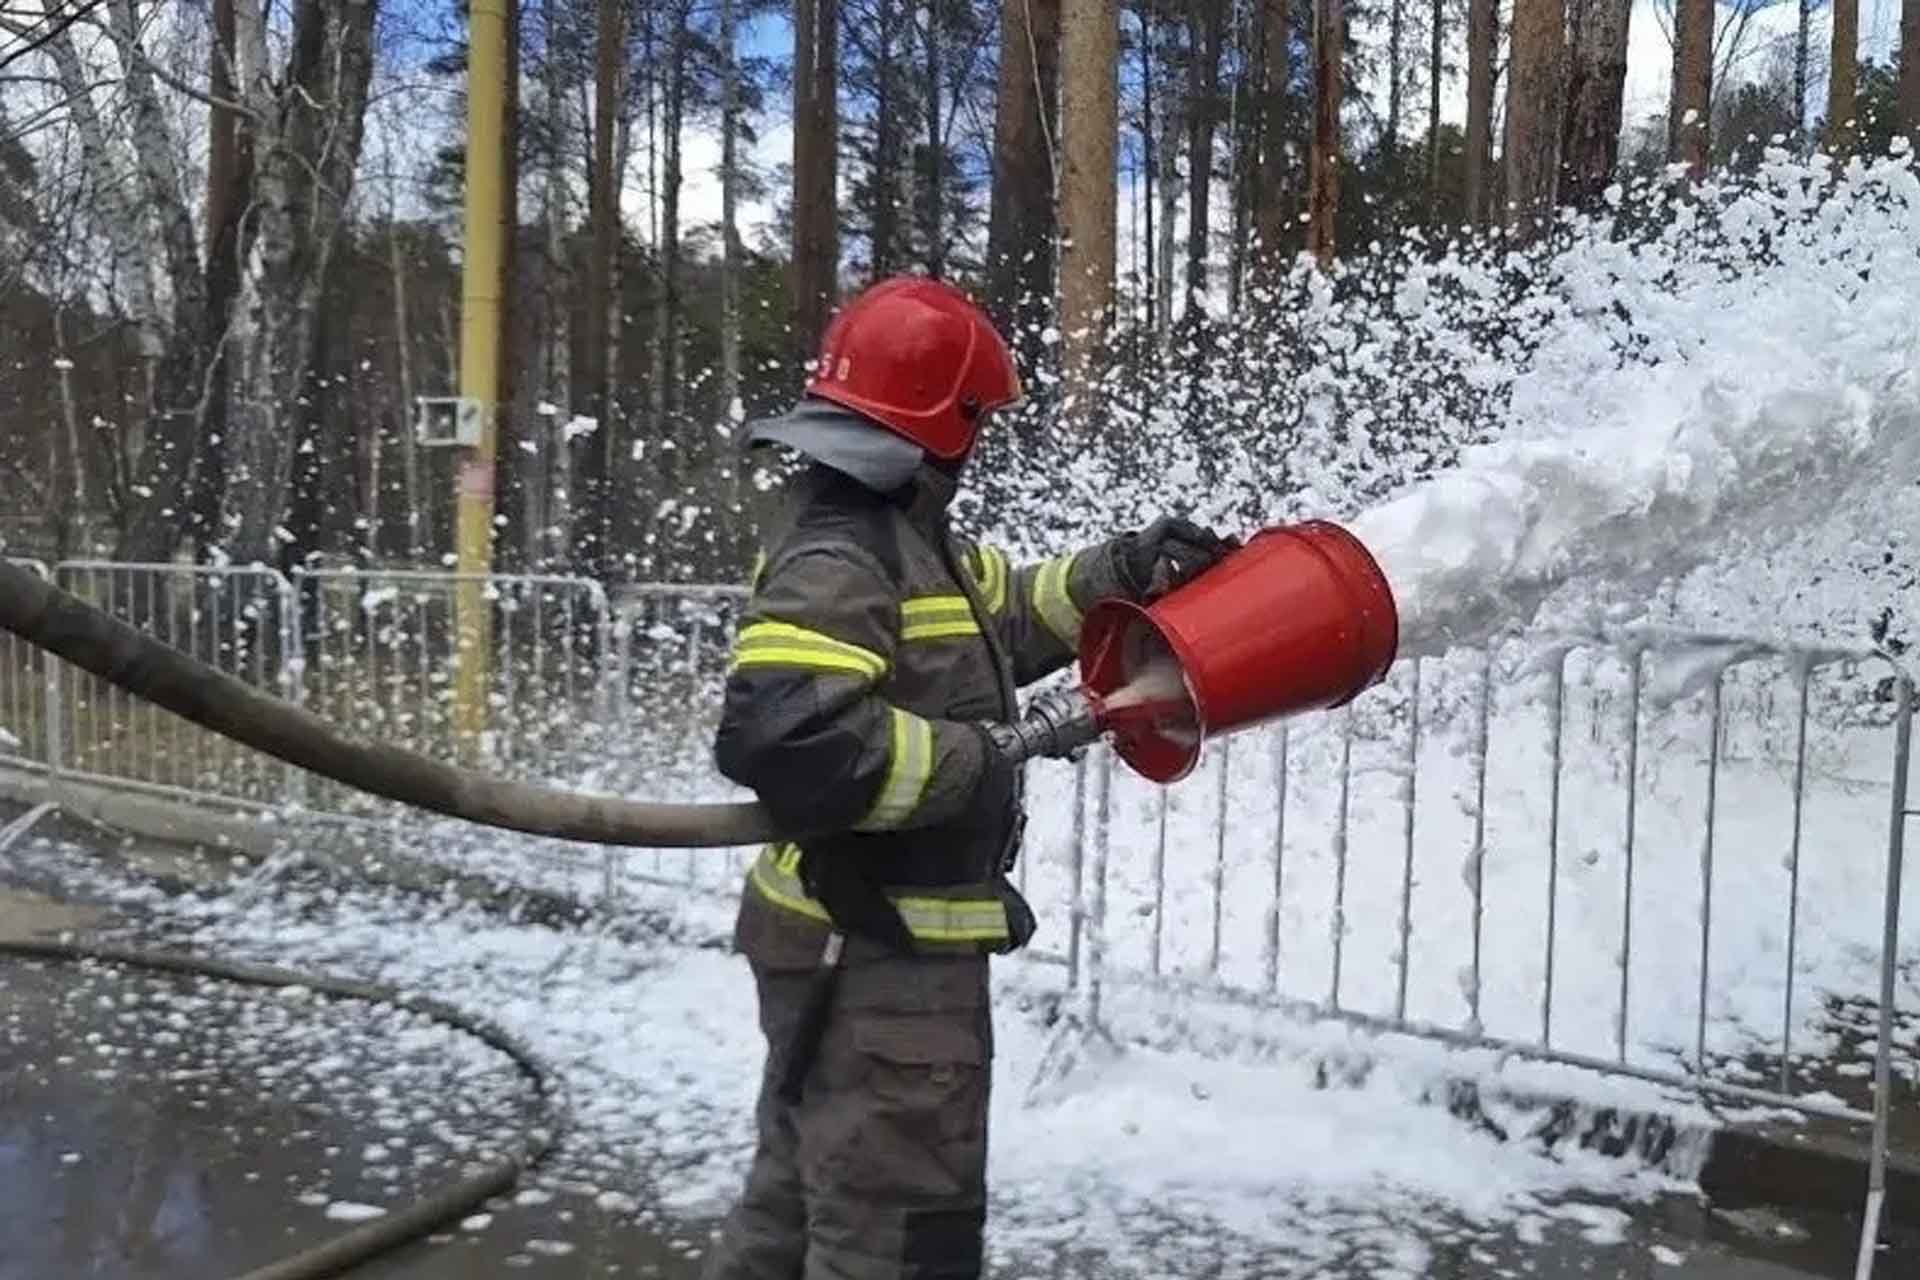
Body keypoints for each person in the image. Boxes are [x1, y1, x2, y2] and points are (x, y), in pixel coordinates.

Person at [703, 275, 1231, 1279]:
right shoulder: (843, 549)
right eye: (978, 416)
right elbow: (790, 739)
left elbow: (1012, 612)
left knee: (798, 1201)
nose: (982, 438)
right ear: (945, 418)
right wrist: (988, 757)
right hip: (875, 961)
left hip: (844, 948)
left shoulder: (899, 531)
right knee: (902, 1235)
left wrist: (1125, 566)